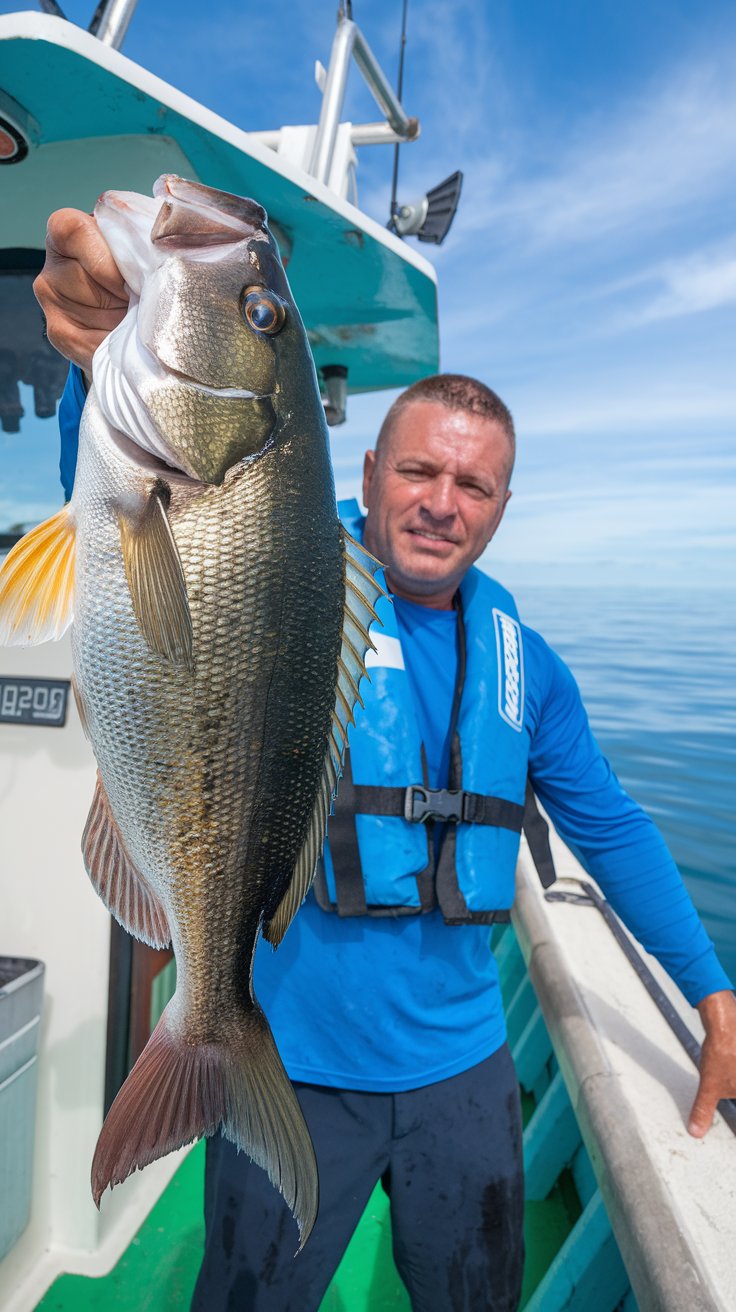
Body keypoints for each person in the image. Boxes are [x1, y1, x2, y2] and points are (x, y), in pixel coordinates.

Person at [35, 210, 736, 1312]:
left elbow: (607, 821)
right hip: (294, 1062)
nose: (442, 505)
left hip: (463, 1074)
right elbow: (148, 508)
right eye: (418, 472)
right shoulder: (293, 573)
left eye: (475, 488)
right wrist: (97, 359)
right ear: (366, 467)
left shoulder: (526, 663)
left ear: (502, 507)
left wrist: (709, 986)